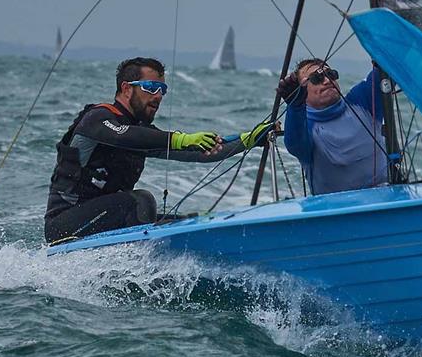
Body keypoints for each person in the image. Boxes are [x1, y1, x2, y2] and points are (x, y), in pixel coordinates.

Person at [45, 57, 269, 243]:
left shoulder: (141, 131)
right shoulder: (97, 119)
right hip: (64, 227)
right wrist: (179, 139)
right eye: (151, 88)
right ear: (126, 88)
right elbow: (124, 135)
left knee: (187, 222)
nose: (158, 96)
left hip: (104, 218)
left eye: (162, 89)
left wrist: (247, 140)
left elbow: (198, 153)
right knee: (142, 201)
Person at [277, 58, 387, 195]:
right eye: (317, 78)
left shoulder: (361, 102)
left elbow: (389, 66)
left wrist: (380, 56)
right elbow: (294, 144)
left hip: (386, 196)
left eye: (331, 74)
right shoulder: (305, 128)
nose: (327, 81)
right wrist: (295, 106)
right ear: (302, 91)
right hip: (336, 210)